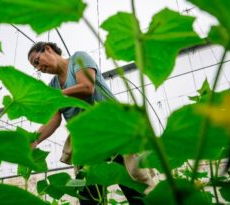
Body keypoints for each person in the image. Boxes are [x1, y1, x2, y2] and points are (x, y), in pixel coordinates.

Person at [27, 42, 147, 205]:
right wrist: (34, 140)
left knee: (135, 189)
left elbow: (86, 87)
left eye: (37, 61)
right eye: (36, 67)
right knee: (89, 198)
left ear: (48, 49)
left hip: (112, 131)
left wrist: (53, 96)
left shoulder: (78, 58)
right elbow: (54, 120)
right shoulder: (53, 86)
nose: (39, 68)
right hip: (86, 143)